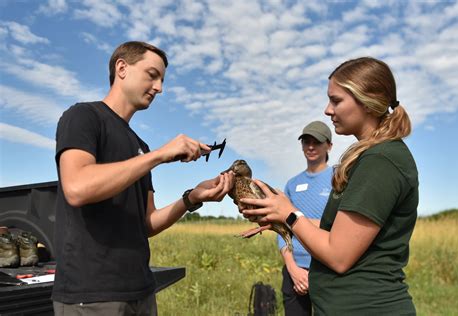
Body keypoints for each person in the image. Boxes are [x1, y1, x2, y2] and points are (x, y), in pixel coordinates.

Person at [52, 41, 234, 316]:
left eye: (162, 79)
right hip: (91, 296)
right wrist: (160, 155)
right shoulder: (83, 117)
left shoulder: (140, 145)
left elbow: (147, 223)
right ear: (122, 68)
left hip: (141, 291)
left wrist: (192, 198)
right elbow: (77, 187)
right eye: (152, 75)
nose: (159, 87)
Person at [241, 57, 418, 315]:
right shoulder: (372, 156)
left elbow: (338, 255)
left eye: (336, 100)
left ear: (368, 101)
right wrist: (280, 218)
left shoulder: (381, 160)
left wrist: (289, 214)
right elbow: (337, 231)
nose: (327, 110)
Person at [277, 121, 333, 315]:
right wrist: (292, 268)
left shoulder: (339, 177)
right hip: (295, 271)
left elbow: (340, 225)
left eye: (316, 142)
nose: (310, 147)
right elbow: (281, 230)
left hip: (328, 270)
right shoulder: (292, 184)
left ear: (329, 145)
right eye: (306, 142)